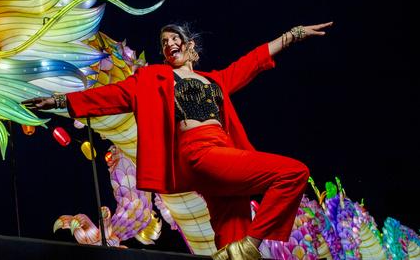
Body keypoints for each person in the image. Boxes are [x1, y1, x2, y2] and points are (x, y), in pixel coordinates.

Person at [23, 21, 333, 260]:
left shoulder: (216, 80)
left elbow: (252, 61)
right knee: (293, 172)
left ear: (191, 46)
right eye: (164, 42)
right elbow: (112, 95)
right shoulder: (154, 79)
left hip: (224, 159)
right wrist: (59, 100)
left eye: (175, 39)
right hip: (200, 155)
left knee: (230, 240)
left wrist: (294, 34)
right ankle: (251, 245)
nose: (170, 44)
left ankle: (240, 247)